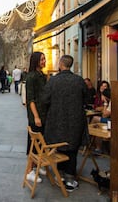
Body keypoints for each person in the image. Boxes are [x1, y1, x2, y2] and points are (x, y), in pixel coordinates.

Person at [42, 55, 87, 192]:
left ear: (61, 64)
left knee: (58, 145)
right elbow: (87, 98)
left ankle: (59, 174)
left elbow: (45, 99)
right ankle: (69, 178)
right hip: (75, 121)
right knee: (72, 149)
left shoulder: (53, 81)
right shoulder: (79, 81)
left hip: (56, 120)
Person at [25, 52, 48, 183]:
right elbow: (30, 100)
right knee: (33, 143)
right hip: (36, 115)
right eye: (42, 59)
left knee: (40, 143)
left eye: (44, 59)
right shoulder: (32, 77)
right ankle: (30, 171)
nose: (44, 61)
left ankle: (37, 166)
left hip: (43, 114)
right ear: (36, 61)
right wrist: (36, 116)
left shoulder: (42, 76)